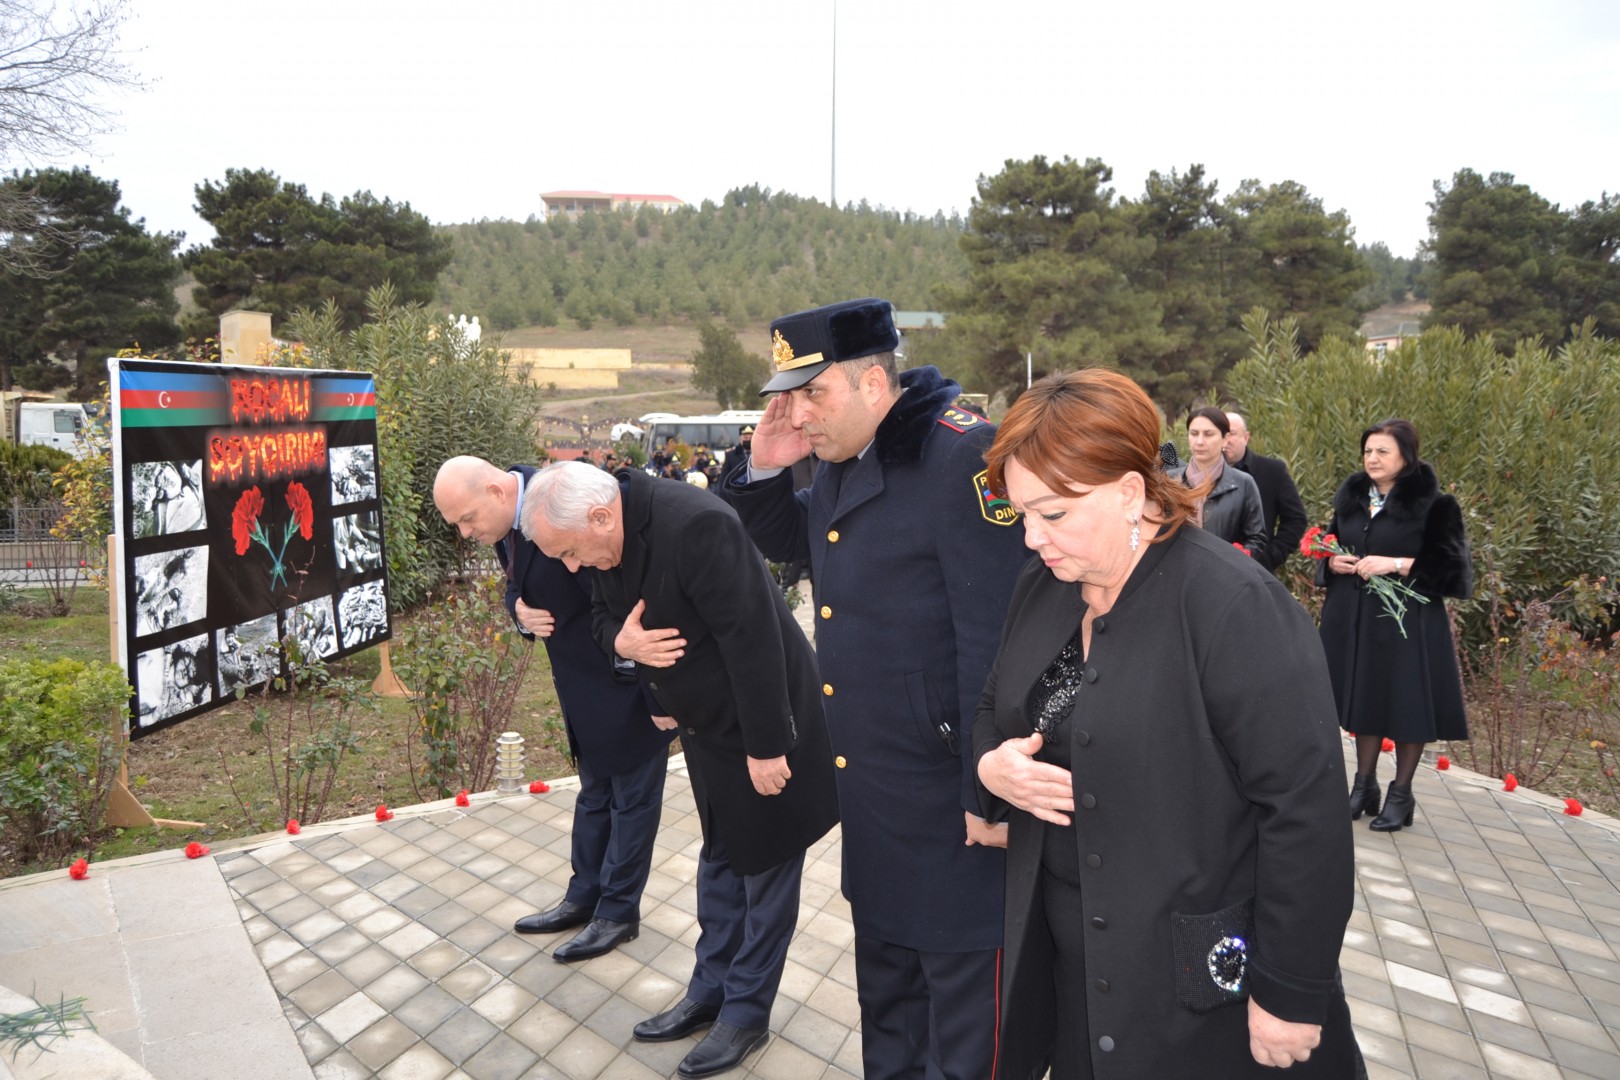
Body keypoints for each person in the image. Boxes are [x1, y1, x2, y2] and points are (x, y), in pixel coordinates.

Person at [973, 369, 1363, 1079]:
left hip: (1198, 988)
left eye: (1053, 515)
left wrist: (1290, 991)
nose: (1032, 539)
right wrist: (991, 771)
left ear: (1129, 491)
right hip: (1071, 970)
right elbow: (994, 707)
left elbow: (1303, 812)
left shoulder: (1232, 606)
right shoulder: (1045, 588)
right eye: (1021, 514)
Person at [726, 297, 1028, 1080]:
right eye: (784, 398)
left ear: (870, 382)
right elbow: (803, 541)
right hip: (876, 795)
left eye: (810, 395)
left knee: (966, 1028)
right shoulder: (841, 460)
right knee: (888, 1014)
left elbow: (994, 642)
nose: (798, 415)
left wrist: (986, 792)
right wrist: (765, 462)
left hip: (949, 801)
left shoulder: (963, 457)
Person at [521, 461, 839, 1079]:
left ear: (600, 516)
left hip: (764, 726)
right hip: (704, 728)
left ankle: (745, 1014)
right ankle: (709, 990)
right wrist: (625, 646)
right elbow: (603, 619)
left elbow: (755, 640)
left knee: (766, 868)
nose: (568, 565)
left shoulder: (697, 526)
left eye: (566, 551)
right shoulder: (608, 543)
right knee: (720, 857)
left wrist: (768, 747)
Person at [432, 457, 675, 962]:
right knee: (593, 796)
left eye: (467, 519)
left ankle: (617, 913)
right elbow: (518, 584)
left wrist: (659, 697)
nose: (466, 531)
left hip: (628, 685)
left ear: (499, 491)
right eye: (457, 524)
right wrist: (516, 609)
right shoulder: (507, 522)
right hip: (581, 690)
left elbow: (634, 600)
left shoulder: (566, 503)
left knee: (632, 806)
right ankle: (583, 896)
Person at [1317, 419, 1472, 832]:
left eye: (1382, 451)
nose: (1372, 458)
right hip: (1356, 620)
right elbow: (1330, 546)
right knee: (1364, 698)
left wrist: (1398, 564)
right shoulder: (1350, 500)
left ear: (1406, 456)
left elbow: (1454, 573)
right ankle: (1362, 786)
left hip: (1408, 624)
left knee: (1406, 704)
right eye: (1368, 450)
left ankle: (1400, 794)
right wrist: (1332, 562)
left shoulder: (1436, 505)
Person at [1173, 407, 1269, 555]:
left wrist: (1234, 561)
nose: (1199, 441)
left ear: (1225, 439)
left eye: (1208, 434)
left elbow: (1257, 538)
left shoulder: (1243, 484)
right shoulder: (1170, 481)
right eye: (1194, 434)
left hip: (1225, 575)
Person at [1224, 411, 1308, 576]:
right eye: (1221, 434)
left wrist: (1270, 557)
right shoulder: (1202, 474)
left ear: (1246, 437)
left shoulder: (1272, 471)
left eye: (1231, 434)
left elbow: (1295, 519)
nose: (1226, 441)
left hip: (1257, 572)